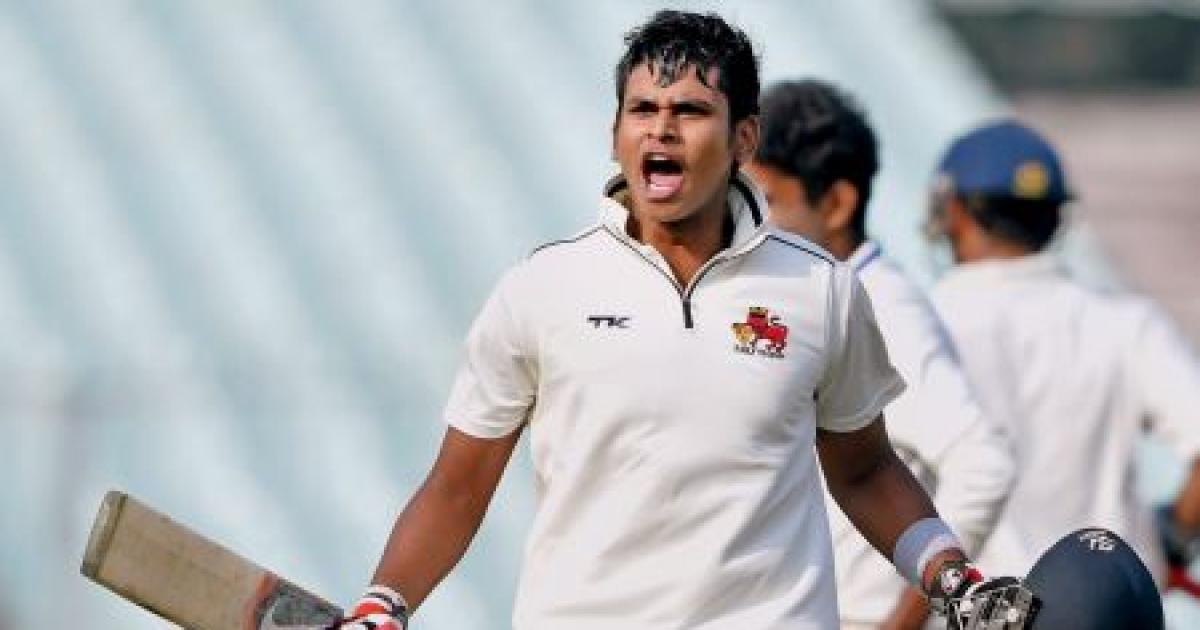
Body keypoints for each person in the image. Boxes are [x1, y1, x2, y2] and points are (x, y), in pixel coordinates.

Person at [334, 11, 995, 629]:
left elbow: (866, 472)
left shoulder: (821, 289)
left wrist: (952, 578)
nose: (661, 130)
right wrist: (383, 605)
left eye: (690, 111)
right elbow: (456, 490)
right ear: (615, 134)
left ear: (743, 139)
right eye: (643, 109)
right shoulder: (543, 287)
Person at [745, 79, 1015, 630]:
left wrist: (903, 621)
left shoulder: (883, 307)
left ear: (838, 204)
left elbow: (984, 465)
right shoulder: (808, 297)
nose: (747, 220)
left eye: (767, 201)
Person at [925, 119, 1200, 592]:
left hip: (976, 609)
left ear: (953, 210)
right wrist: (1172, 538)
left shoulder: (923, 324)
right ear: (1056, 217)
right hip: (1110, 607)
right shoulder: (1127, 325)